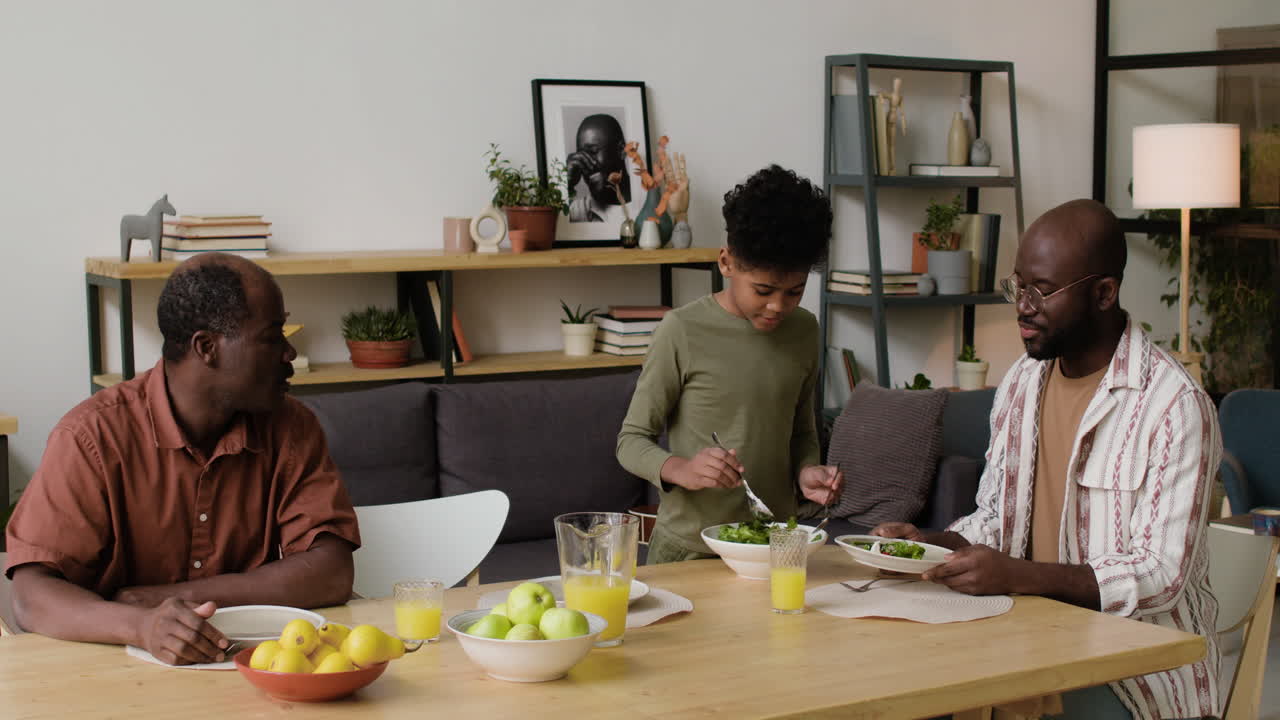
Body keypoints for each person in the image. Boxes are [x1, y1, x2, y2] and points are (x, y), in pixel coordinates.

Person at [873, 199, 1220, 720]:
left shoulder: (1175, 406)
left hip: (1134, 675)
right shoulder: (1022, 381)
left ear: (1104, 293)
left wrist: (1020, 575)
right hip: (1023, 640)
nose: (1022, 306)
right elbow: (997, 518)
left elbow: (1161, 575)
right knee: (897, 680)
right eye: (1018, 286)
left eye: (1041, 290)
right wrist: (931, 545)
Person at [5, 253, 361, 665]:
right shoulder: (91, 438)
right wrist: (141, 625)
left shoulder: (292, 427)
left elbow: (332, 571)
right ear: (207, 348)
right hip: (109, 671)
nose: (289, 352)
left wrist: (171, 599)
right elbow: (31, 595)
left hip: (247, 668)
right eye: (271, 336)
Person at [617, 165, 844, 562]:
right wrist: (682, 469)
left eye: (794, 292)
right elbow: (631, 441)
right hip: (689, 549)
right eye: (763, 290)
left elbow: (801, 430)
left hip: (775, 546)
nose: (777, 307)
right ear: (726, 262)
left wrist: (807, 471)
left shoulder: (805, 330)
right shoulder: (681, 330)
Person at [566, 113, 629, 222]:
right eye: (581, 156)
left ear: (621, 151)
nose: (585, 162)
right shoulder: (578, 211)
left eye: (593, 151)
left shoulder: (642, 201)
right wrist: (567, 184)